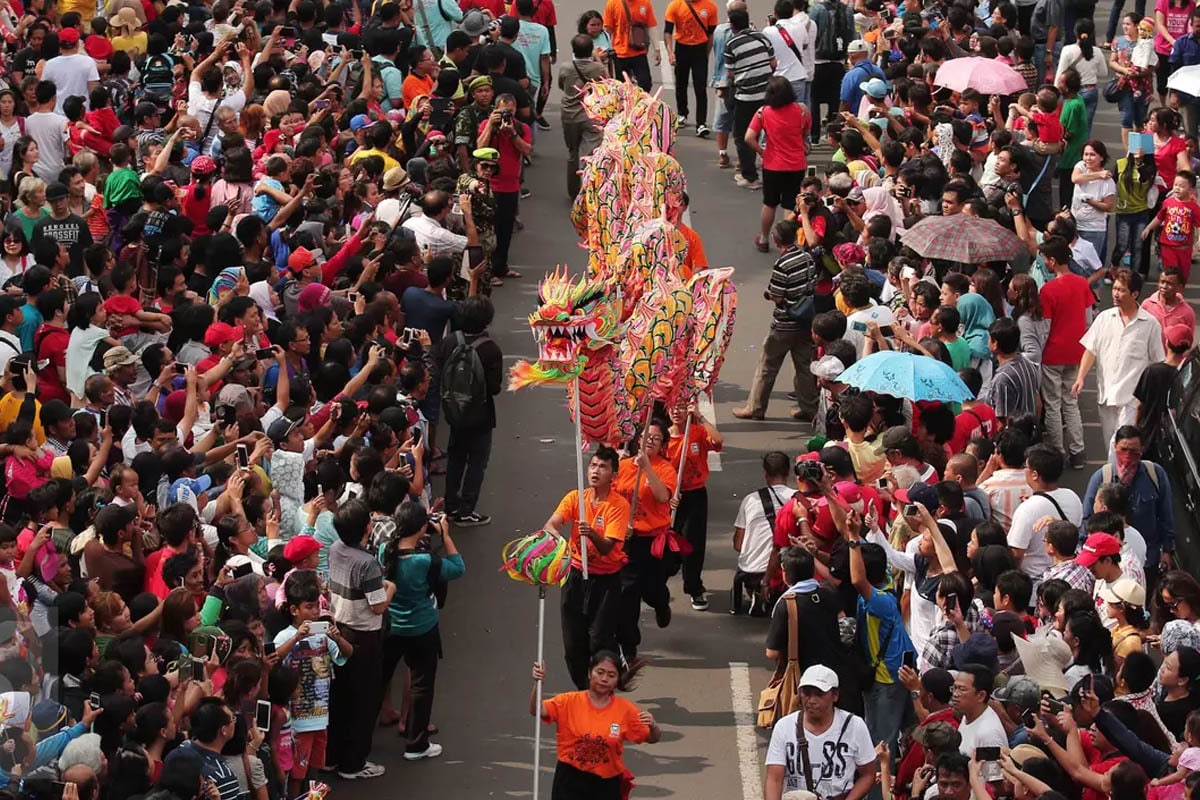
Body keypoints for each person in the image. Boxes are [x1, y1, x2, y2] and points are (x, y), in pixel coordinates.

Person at [379, 503, 464, 760]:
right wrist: (446, 535)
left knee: (380, 678)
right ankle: (416, 745)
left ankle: (358, 741)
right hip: (422, 628)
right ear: (422, 527)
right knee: (421, 685)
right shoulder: (425, 561)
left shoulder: (386, 551)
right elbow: (458, 567)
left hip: (392, 626)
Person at [544, 446, 631, 690]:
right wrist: (558, 541)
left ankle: (605, 682)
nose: (596, 471)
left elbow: (606, 548)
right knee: (573, 645)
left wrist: (590, 533)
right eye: (593, 465)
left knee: (598, 641)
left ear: (613, 476)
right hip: (574, 576)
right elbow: (551, 524)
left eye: (603, 467)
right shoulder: (575, 498)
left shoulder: (618, 506)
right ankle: (585, 690)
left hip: (605, 581)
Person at [326, 499, 396, 778]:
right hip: (365, 636)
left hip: (339, 628)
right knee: (364, 701)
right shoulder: (368, 563)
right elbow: (378, 605)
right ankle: (354, 763)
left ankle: (332, 756)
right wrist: (390, 588)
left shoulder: (334, 549)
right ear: (367, 526)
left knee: (340, 697)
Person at [530, 654, 661, 799]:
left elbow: (652, 738)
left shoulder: (625, 710)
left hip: (606, 785)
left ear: (617, 680)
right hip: (570, 781)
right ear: (589, 673)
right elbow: (537, 709)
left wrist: (653, 725)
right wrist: (538, 684)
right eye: (600, 672)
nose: (604, 679)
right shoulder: (568, 702)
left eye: (611, 675)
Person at [733, 220, 820, 422]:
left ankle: (755, 407)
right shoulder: (807, 257)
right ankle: (808, 407)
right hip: (805, 322)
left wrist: (770, 295)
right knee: (804, 367)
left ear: (776, 239)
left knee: (767, 366)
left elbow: (777, 294)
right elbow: (812, 283)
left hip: (784, 324)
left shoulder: (782, 263)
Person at [1073, 270, 1166, 450]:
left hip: (1132, 399)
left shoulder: (1150, 324)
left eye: (1121, 290)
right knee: (1111, 443)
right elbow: (1091, 350)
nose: (1115, 293)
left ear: (1135, 294)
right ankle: (1116, 474)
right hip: (1106, 394)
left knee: (1122, 445)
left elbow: (1157, 363)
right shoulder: (1104, 318)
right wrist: (1080, 377)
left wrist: (1148, 398)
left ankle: (1118, 476)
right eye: (1115, 288)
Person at [763, 665, 878, 800]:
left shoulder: (854, 726)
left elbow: (868, 774)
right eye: (806, 693)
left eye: (819, 694)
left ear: (835, 695)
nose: (811, 700)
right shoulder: (784, 727)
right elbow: (774, 779)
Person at [665, 403, 722, 610]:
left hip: (695, 495)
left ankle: (694, 587)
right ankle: (658, 584)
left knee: (693, 543)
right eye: (673, 407)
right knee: (665, 542)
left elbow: (717, 441)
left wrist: (701, 417)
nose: (676, 411)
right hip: (668, 497)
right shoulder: (662, 437)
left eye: (681, 407)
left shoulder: (697, 432)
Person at [746, 76, 811, 252]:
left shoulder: (763, 112)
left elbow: (749, 138)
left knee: (769, 203)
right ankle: (787, 244)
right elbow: (805, 132)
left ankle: (764, 238)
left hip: (772, 165)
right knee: (790, 205)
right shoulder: (802, 110)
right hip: (796, 164)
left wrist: (762, 152)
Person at [724, 7, 776, 190]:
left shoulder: (731, 44)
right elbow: (773, 63)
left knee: (742, 136)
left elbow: (730, 73)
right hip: (767, 95)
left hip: (745, 97)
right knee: (770, 133)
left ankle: (750, 176)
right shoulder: (762, 37)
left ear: (732, 25)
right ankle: (772, 171)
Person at [664, 0, 718, 133]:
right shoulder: (675, 5)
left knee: (700, 86)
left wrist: (706, 53)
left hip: (700, 49)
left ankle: (701, 123)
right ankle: (682, 113)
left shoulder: (710, 6)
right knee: (681, 84)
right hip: (682, 48)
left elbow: (711, 34)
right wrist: (670, 53)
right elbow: (668, 32)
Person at [602, 0, 660, 90]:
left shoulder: (645, 3)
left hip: (639, 52)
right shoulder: (613, 3)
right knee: (620, 88)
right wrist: (605, 50)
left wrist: (657, 49)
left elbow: (651, 26)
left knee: (645, 84)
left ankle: (640, 102)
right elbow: (608, 30)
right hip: (619, 54)